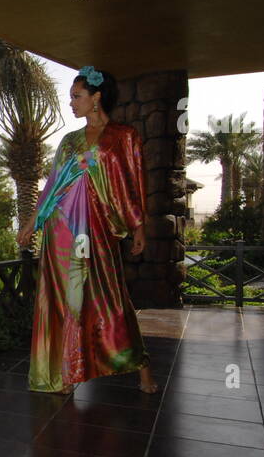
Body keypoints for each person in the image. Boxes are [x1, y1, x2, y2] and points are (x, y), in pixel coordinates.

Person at [16, 66, 158, 395]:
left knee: (112, 299)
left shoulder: (124, 136)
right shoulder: (69, 141)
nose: (71, 103)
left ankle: (142, 369)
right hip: (61, 232)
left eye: (76, 97)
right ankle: (68, 372)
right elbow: (51, 187)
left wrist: (139, 226)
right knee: (66, 301)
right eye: (70, 97)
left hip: (99, 231)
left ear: (96, 98)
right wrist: (31, 222)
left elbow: (135, 184)